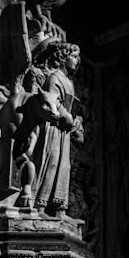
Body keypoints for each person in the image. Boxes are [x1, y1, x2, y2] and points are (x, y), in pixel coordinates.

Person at [31, 41, 84, 214]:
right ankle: (40, 205)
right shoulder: (54, 78)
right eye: (74, 56)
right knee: (51, 163)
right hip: (53, 127)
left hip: (65, 131)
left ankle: (60, 208)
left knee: (65, 167)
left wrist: (76, 122)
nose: (78, 60)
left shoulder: (69, 82)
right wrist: (65, 115)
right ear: (63, 58)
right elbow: (51, 101)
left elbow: (70, 106)